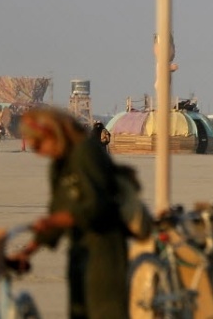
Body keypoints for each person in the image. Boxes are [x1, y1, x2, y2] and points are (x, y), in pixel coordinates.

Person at [11, 108, 129, 319]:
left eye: (39, 144)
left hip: (104, 254)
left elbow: (97, 205)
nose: (38, 152)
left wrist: (59, 219)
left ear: (54, 133)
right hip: (79, 253)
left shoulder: (86, 152)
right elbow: (57, 213)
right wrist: (29, 250)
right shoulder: (59, 164)